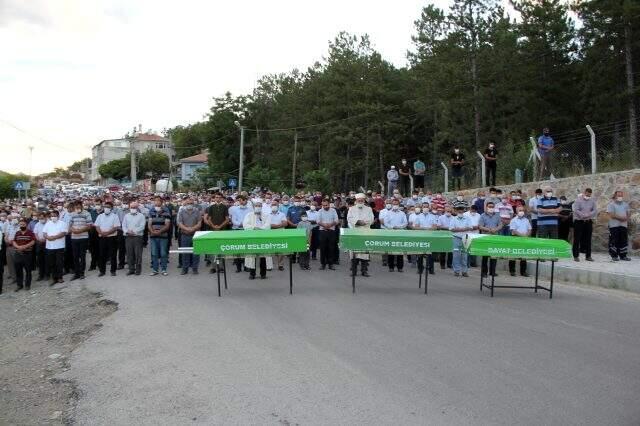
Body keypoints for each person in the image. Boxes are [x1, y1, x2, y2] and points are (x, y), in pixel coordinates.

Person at [242, 201, 273, 279]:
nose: (258, 207)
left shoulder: (266, 215)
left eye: (259, 206)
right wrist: (254, 228)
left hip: (263, 238)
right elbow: (245, 225)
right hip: (252, 238)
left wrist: (260, 228)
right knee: (252, 256)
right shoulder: (248, 215)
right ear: (253, 207)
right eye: (256, 206)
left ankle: (263, 274)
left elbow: (268, 225)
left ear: (262, 207)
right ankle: (252, 274)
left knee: (263, 257)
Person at [347, 193, 374, 277]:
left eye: (362, 200)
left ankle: (364, 271)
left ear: (364, 201)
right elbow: (349, 219)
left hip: (365, 233)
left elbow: (371, 219)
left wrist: (363, 222)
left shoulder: (369, 209)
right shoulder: (351, 209)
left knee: (365, 253)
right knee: (354, 253)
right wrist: (359, 222)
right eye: (359, 200)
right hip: (355, 233)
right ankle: (354, 271)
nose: (360, 201)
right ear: (356, 201)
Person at [204, 192, 229, 273]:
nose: (218, 199)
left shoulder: (225, 207)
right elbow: (209, 219)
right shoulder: (211, 207)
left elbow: (227, 219)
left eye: (219, 197)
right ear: (214, 198)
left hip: (222, 231)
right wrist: (214, 226)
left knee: (221, 248)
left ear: (221, 198)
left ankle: (221, 267)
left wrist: (220, 226)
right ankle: (213, 267)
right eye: (216, 197)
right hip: (213, 230)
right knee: (213, 248)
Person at [95, 201, 121, 277]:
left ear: (111, 208)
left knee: (113, 254)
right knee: (102, 254)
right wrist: (101, 233)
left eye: (108, 207)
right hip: (102, 237)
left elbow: (116, 227)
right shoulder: (100, 216)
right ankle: (102, 271)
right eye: (105, 207)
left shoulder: (115, 216)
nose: (106, 208)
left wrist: (107, 233)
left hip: (112, 238)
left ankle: (113, 270)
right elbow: (97, 226)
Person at [177, 197, 202, 275]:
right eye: (188, 203)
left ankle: (195, 268)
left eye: (191, 203)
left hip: (195, 235)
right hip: (185, 235)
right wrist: (187, 229)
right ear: (185, 203)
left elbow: (199, 222)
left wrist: (193, 228)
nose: (189, 205)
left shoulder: (197, 211)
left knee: (196, 252)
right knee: (185, 252)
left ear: (193, 204)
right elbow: (179, 223)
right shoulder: (181, 211)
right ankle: (185, 269)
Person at [69, 200, 93, 281]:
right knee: (75, 256)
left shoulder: (87, 213)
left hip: (83, 237)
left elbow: (90, 225)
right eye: (76, 207)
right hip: (74, 238)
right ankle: (76, 273)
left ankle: (82, 273)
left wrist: (80, 230)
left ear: (81, 206)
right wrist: (73, 230)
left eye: (79, 207)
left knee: (82, 256)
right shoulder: (72, 214)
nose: (77, 208)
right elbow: (69, 225)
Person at [148, 197, 171, 276]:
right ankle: (155, 270)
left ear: (161, 202)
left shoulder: (166, 212)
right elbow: (149, 224)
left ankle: (164, 269)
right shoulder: (151, 212)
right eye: (155, 201)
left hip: (163, 236)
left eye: (158, 201)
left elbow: (167, 225)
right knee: (154, 253)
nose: (156, 202)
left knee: (163, 253)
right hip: (153, 236)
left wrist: (160, 231)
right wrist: (152, 232)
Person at [43, 210, 67, 286]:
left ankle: (60, 277)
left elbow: (63, 233)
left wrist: (54, 237)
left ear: (58, 216)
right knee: (52, 263)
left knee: (59, 262)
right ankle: (54, 278)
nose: (53, 217)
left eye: (54, 216)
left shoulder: (62, 223)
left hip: (59, 246)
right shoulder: (48, 223)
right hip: (50, 247)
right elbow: (44, 233)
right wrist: (48, 237)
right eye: (51, 216)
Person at [122, 201, 146, 276]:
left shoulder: (141, 216)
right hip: (128, 237)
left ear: (137, 208)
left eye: (134, 207)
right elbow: (123, 225)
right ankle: (131, 269)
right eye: (131, 207)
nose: (133, 209)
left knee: (138, 254)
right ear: (129, 208)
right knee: (129, 254)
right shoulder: (126, 216)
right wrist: (127, 231)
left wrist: (134, 232)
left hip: (137, 237)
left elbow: (142, 226)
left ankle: (138, 269)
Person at [478, 202, 502, 278]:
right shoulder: (482, 215)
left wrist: (496, 229)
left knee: (494, 255)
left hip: (495, 237)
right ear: (487, 207)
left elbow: (500, 225)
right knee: (485, 256)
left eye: (492, 206)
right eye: (489, 206)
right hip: (485, 237)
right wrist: (489, 230)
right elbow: (480, 226)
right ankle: (484, 272)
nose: (491, 208)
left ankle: (493, 271)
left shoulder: (497, 215)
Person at [383, 198, 407, 272]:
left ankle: (400, 267)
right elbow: (386, 223)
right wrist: (392, 227)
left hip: (400, 233)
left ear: (398, 205)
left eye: (397, 204)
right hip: (391, 233)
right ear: (392, 205)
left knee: (400, 251)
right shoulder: (388, 213)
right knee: (391, 251)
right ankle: (391, 267)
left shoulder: (402, 213)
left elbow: (405, 223)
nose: (395, 205)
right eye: (394, 204)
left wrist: (399, 227)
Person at [228, 194, 251, 272]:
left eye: (241, 200)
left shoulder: (250, 210)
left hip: (246, 230)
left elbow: (251, 219)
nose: (240, 202)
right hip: (237, 230)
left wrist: (245, 224)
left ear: (245, 201)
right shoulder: (235, 209)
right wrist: (240, 224)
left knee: (246, 249)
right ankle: (238, 267)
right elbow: (233, 220)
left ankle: (246, 266)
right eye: (239, 200)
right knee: (237, 249)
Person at [572, 188, 596, 262]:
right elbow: (576, 210)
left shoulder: (592, 201)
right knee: (577, 239)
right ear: (584, 192)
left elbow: (595, 210)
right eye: (587, 193)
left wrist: (589, 215)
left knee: (588, 239)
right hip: (579, 221)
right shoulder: (578, 200)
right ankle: (576, 256)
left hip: (588, 222)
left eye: (589, 194)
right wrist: (583, 215)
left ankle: (588, 256)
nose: (588, 195)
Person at [12, 217, 36, 291]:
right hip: (18, 253)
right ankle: (19, 285)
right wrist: (18, 247)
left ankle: (27, 285)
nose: (22, 225)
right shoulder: (17, 233)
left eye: (23, 224)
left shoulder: (30, 232)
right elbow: (14, 241)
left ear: (26, 225)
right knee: (18, 270)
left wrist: (25, 246)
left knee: (28, 270)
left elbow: (33, 241)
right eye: (21, 224)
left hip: (27, 254)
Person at [607, 191, 631, 262]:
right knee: (614, 241)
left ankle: (623, 256)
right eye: (618, 196)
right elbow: (612, 215)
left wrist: (627, 218)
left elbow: (628, 213)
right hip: (614, 226)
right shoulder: (611, 205)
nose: (620, 197)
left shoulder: (625, 204)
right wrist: (622, 218)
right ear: (615, 196)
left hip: (623, 225)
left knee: (623, 241)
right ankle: (614, 256)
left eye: (621, 196)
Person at [508, 206, 531, 277]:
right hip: (515, 238)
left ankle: (523, 272)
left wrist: (527, 236)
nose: (521, 212)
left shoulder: (526, 220)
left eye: (522, 210)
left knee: (523, 256)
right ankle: (512, 271)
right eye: (520, 210)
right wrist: (522, 236)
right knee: (513, 255)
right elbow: (513, 230)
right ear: (516, 212)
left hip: (525, 239)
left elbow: (529, 229)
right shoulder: (513, 220)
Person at [450, 204, 472, 277]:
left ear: (463, 211)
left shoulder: (467, 218)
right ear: (456, 212)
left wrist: (458, 229)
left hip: (465, 238)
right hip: (456, 238)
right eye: (459, 212)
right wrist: (463, 229)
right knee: (456, 255)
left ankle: (464, 271)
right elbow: (452, 229)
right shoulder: (453, 219)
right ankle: (456, 271)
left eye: (461, 212)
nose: (460, 213)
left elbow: (470, 228)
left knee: (465, 255)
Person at [317, 199, 339, 270]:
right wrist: (324, 225)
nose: (325, 206)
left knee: (331, 248)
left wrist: (329, 225)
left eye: (326, 205)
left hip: (331, 231)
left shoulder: (333, 210)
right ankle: (322, 264)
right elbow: (318, 221)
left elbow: (336, 220)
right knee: (323, 248)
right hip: (322, 231)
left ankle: (331, 264)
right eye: (323, 205)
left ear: (329, 204)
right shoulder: (320, 211)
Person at [269, 200, 288, 271]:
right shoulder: (268, 214)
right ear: (271, 206)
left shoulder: (282, 214)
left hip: (280, 234)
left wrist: (274, 226)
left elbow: (285, 224)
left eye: (275, 205)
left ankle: (280, 265)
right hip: (270, 234)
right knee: (270, 249)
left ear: (278, 206)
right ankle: (269, 265)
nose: (274, 206)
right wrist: (279, 225)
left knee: (281, 249)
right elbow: (267, 225)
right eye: (273, 205)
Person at [33, 212, 48, 281]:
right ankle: (41, 275)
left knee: (47, 259)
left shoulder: (49, 223)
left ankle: (47, 274)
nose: (41, 219)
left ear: (45, 217)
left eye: (42, 218)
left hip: (47, 243)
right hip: (39, 243)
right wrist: (39, 239)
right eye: (40, 218)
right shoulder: (37, 224)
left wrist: (45, 239)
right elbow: (35, 233)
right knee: (40, 260)